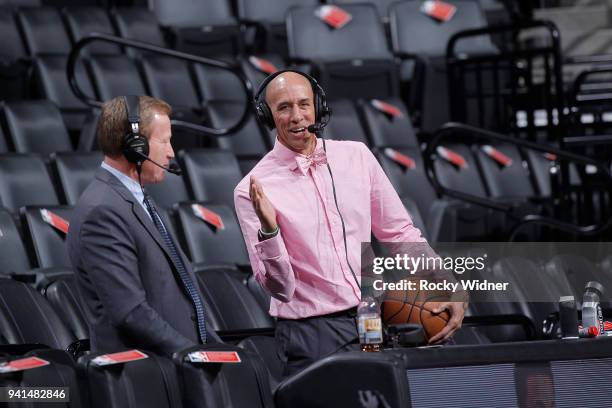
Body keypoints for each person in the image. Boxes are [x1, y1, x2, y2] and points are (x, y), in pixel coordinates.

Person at [234, 71, 467, 376]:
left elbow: (399, 233)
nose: (296, 116)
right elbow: (280, 288)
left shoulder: (356, 156)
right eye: (283, 107)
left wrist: (447, 286)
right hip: (311, 332)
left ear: (318, 106)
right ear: (267, 116)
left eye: (304, 104)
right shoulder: (252, 188)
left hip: (372, 315)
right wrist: (269, 230)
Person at [67, 95, 217, 356]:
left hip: (175, 366)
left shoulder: (138, 199)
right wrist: (193, 354)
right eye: (164, 141)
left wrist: (215, 349)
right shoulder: (101, 211)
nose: (171, 152)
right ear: (135, 146)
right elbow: (130, 313)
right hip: (147, 378)